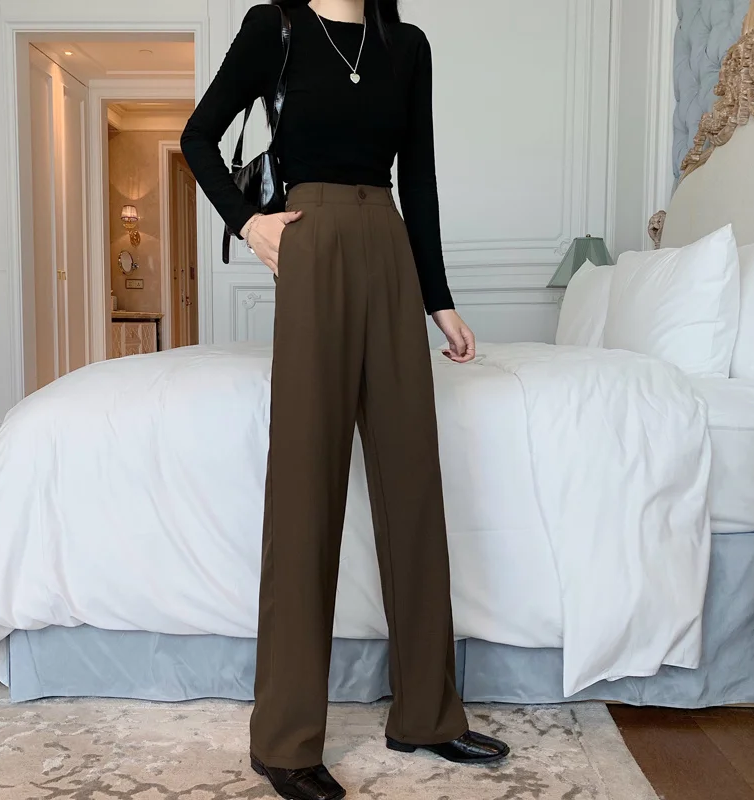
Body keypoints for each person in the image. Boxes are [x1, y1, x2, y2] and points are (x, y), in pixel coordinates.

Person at [181, 1, 508, 798]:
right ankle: (285, 741)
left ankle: (426, 715)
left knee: (412, 487)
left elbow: (418, 177)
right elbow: (198, 137)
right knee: (305, 491)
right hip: (313, 242)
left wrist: (440, 301)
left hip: (388, 245)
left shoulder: (408, 46)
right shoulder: (275, 28)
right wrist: (248, 223)